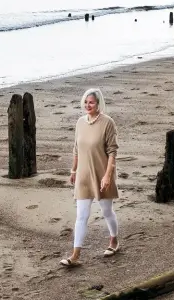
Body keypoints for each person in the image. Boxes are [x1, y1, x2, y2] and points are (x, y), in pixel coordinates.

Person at [60, 88, 120, 267]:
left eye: (91, 102)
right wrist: (73, 170)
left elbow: (112, 152)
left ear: (98, 103)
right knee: (81, 216)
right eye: (86, 102)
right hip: (83, 175)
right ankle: (75, 254)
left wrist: (108, 176)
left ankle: (114, 241)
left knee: (106, 211)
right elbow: (76, 149)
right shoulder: (80, 122)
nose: (88, 105)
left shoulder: (108, 123)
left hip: (102, 173)